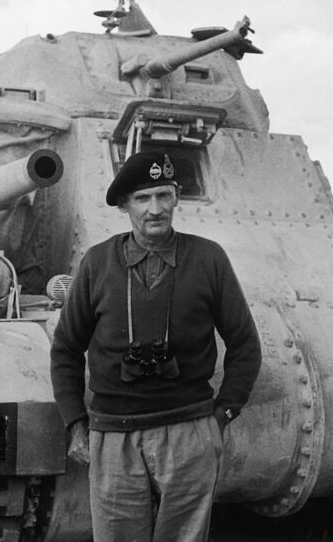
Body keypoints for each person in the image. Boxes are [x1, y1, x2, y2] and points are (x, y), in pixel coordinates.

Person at [50, 150, 262, 542]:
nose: (155, 209)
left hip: (189, 433)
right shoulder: (97, 263)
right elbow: (65, 348)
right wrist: (75, 423)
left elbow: (245, 343)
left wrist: (221, 418)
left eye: (164, 195)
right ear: (125, 206)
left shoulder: (209, 259)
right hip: (114, 438)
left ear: (177, 197)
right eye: (143, 199)